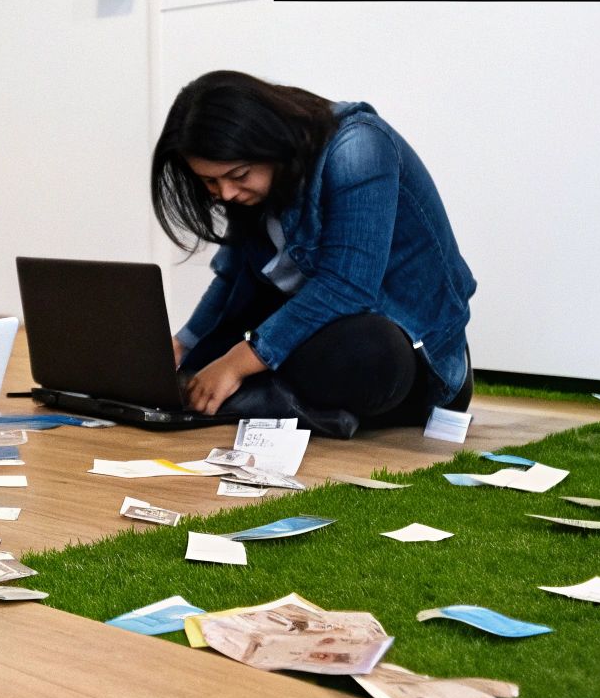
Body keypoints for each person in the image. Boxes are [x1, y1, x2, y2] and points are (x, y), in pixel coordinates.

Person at [152, 70, 476, 438]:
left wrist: (236, 363)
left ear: (269, 141)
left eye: (238, 175)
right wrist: (182, 346)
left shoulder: (359, 146)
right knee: (218, 349)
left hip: (413, 355)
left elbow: (347, 286)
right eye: (210, 182)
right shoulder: (250, 189)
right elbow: (232, 279)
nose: (225, 193)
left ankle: (257, 397)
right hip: (315, 334)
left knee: (368, 350)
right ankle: (272, 399)